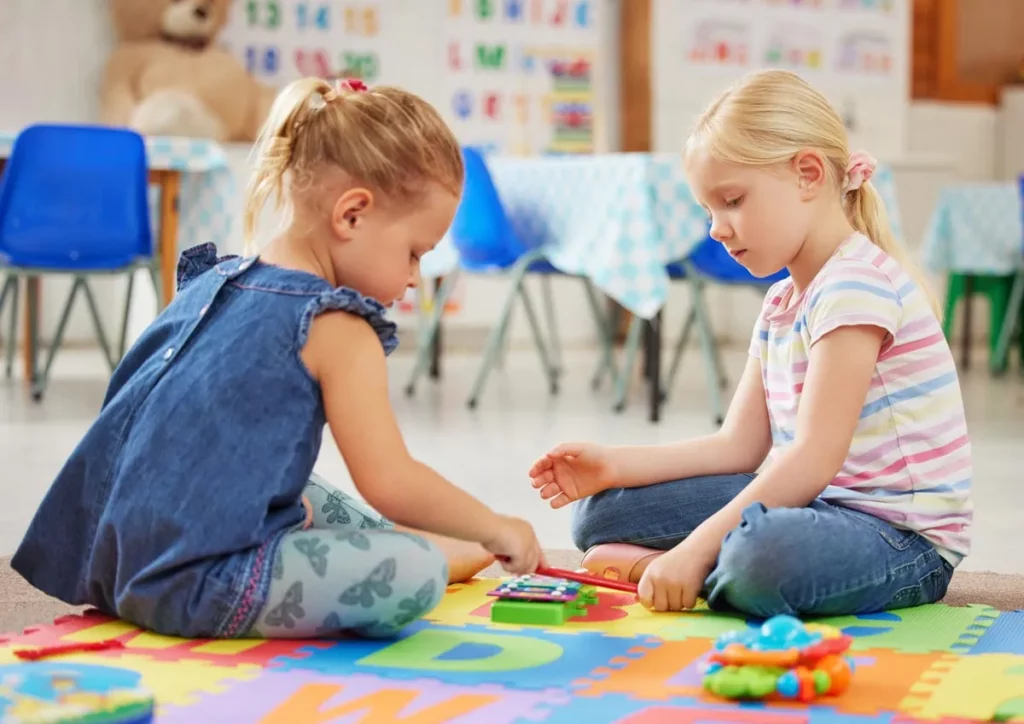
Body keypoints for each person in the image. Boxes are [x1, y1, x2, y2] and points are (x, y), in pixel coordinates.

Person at [13, 77, 544, 640]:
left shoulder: (218, 279)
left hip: (112, 559)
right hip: (194, 586)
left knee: (321, 497)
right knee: (412, 574)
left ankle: (421, 544)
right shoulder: (337, 326)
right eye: (414, 252)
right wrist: (496, 526)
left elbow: (144, 425)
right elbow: (390, 479)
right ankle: (438, 553)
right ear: (352, 215)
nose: (414, 278)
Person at [529, 69, 972, 618]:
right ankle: (700, 566)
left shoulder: (856, 284)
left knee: (758, 558)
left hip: (898, 538)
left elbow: (811, 458)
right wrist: (615, 465)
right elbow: (737, 446)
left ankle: (687, 571)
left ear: (809, 174)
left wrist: (695, 549)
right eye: (707, 210)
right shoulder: (783, 301)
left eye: (732, 200)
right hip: (813, 504)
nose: (716, 228)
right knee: (599, 516)